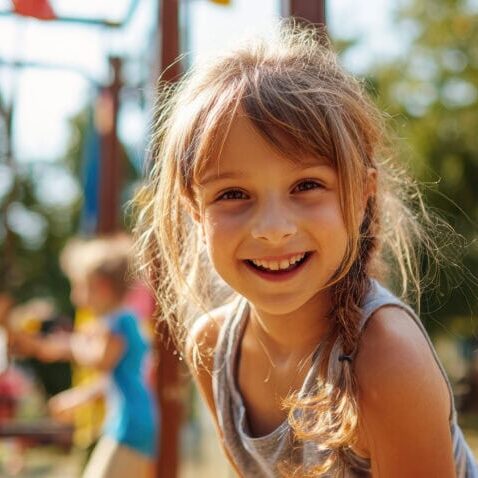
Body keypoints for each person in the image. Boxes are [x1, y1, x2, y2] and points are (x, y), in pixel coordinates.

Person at [134, 23, 477, 477]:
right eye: (233, 194)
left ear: (361, 197)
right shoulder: (214, 346)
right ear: (195, 212)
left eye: (307, 185)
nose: (273, 230)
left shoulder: (387, 358)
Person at [12, 235, 157, 478]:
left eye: (79, 287)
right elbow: (111, 379)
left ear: (100, 287)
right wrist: (78, 397)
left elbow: (101, 361)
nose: (75, 297)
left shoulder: (119, 321)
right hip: (129, 422)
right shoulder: (118, 322)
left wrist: (70, 346)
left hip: (132, 424)